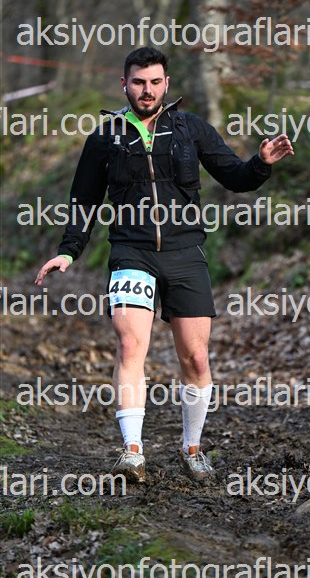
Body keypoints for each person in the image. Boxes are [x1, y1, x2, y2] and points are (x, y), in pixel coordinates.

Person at [35, 47, 294, 483]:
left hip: (185, 253)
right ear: (124, 84)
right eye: (138, 82)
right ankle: (132, 451)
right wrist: (69, 250)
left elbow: (234, 176)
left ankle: (192, 448)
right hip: (131, 253)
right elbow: (84, 201)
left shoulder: (191, 129)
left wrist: (260, 164)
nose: (147, 90)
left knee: (196, 356)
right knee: (130, 346)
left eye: (155, 82)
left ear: (166, 84)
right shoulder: (105, 137)